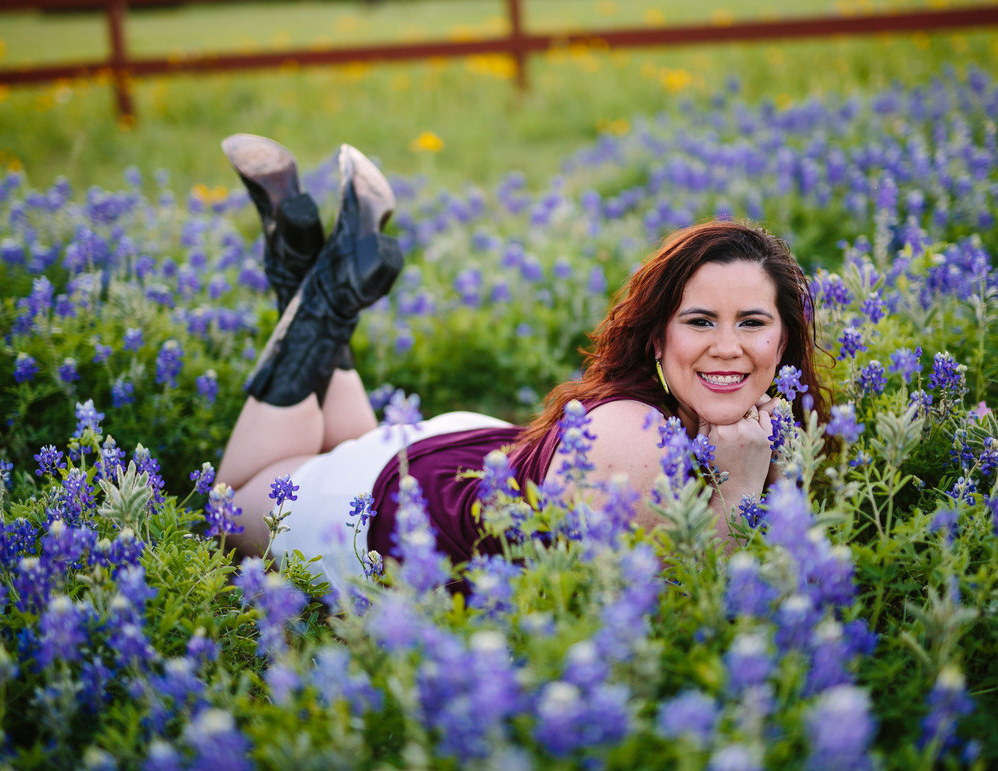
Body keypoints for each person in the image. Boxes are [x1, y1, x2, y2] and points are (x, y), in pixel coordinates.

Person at [214, 134, 828, 591]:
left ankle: (308, 277)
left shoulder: (760, 426)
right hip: (403, 514)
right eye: (699, 321)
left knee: (329, 450)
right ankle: (325, 295)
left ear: (783, 340)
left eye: (752, 322)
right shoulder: (641, 441)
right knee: (228, 506)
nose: (727, 346)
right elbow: (679, 617)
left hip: (459, 463)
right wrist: (741, 487)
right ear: (657, 340)